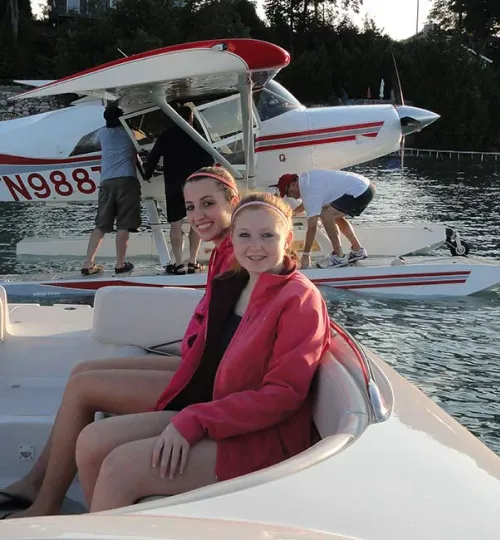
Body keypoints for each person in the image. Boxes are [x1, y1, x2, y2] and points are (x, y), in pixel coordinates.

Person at [0, 166, 239, 519]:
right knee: (83, 372)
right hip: (200, 366)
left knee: (85, 390)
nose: (198, 216)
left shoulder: (239, 255)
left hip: (206, 383)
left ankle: (45, 505)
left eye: (208, 204)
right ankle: (35, 482)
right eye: (190, 207)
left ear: (232, 202)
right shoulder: (224, 249)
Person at [75, 192, 331, 512]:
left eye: (268, 235)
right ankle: (97, 525)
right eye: (245, 235)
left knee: (120, 468)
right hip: (220, 414)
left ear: (288, 238)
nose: (255, 246)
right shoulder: (234, 283)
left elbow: (283, 395)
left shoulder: (299, 299)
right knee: (92, 442)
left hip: (265, 438)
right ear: (232, 239)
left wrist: (196, 419)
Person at [143, 105, 214, 275]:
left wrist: (147, 174)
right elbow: (210, 160)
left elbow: (153, 158)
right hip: (194, 186)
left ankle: (179, 264)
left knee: (176, 224)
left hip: (173, 185)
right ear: (191, 118)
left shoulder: (166, 135)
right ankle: (192, 261)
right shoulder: (197, 135)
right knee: (196, 222)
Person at [81, 105, 142, 276]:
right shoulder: (130, 132)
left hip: (106, 181)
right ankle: (120, 264)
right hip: (127, 180)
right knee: (124, 224)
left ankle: (88, 263)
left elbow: (94, 143)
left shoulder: (101, 133)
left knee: (101, 224)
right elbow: (141, 143)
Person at [271, 170, 375, 269]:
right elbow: (309, 201)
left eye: (288, 193)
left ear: (293, 185)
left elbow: (312, 227)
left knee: (326, 214)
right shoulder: (306, 180)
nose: (291, 197)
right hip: (365, 186)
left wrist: (306, 255)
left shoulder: (309, 190)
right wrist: (293, 213)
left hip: (360, 191)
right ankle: (358, 250)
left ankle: (339, 256)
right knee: (334, 215)